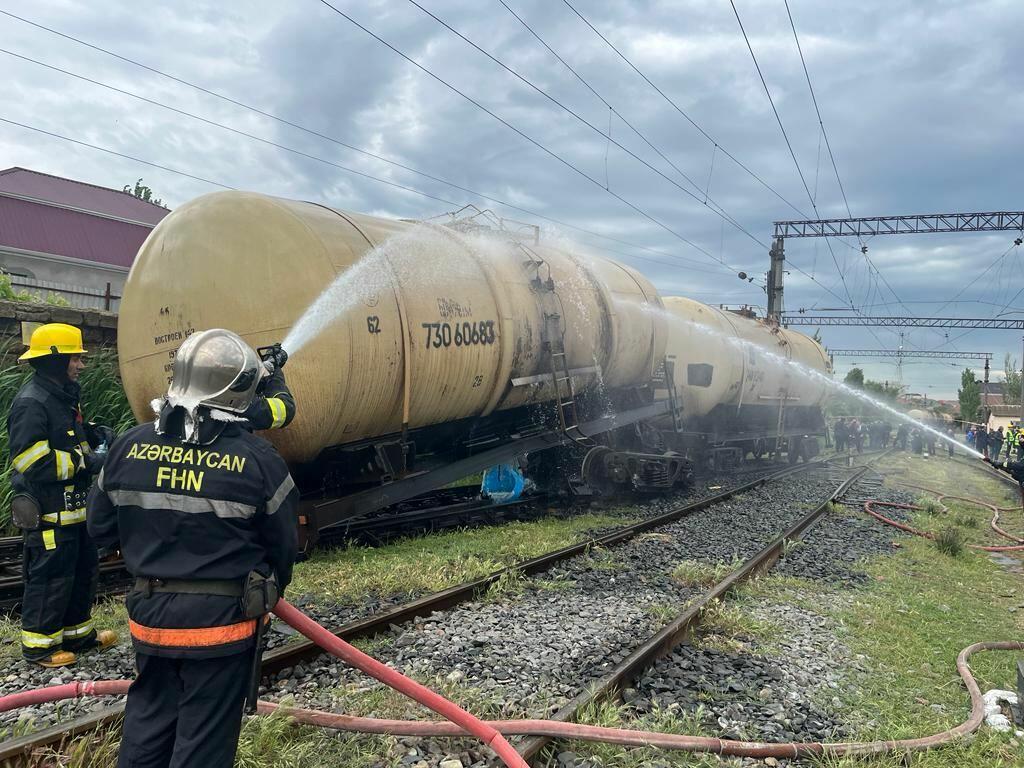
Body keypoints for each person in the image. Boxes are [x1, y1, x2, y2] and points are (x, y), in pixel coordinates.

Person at [87, 329, 299, 768]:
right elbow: (282, 548)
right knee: (204, 739)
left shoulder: (128, 446)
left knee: (148, 722)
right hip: (222, 629)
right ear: (239, 393)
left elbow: (100, 527)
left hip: (150, 620)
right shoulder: (259, 461)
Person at [8, 323, 118, 667]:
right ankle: (39, 647)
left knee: (82, 573)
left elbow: (69, 437)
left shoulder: (63, 395)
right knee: (51, 579)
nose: (81, 365)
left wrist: (93, 435)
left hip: (74, 512)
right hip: (48, 513)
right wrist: (87, 462)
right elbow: (31, 461)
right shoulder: (32, 402)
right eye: (74, 358)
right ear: (54, 360)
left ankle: (77, 635)